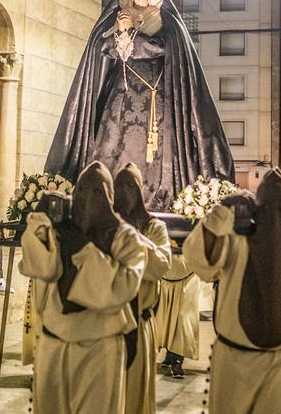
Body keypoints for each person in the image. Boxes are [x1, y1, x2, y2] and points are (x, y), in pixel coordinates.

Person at [45, 0, 234, 211]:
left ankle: (160, 201)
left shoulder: (167, 21)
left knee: (160, 156)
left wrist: (130, 34)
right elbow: (100, 49)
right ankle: (106, 200)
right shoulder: (115, 16)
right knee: (109, 147)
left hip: (159, 100)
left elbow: (161, 48)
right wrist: (118, 34)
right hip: (120, 98)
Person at [185, 170, 281, 413]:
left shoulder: (239, 242)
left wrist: (220, 216)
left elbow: (198, 258)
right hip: (271, 370)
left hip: (243, 368)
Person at [19, 161, 149, 413]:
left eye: (98, 193)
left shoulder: (126, 238)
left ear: (110, 197)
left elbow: (119, 290)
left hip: (100, 348)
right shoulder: (61, 232)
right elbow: (41, 268)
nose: (88, 199)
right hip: (54, 343)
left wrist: (82, 248)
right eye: (82, 191)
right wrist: (39, 224)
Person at [113, 163, 171, 414]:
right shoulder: (104, 227)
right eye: (119, 186)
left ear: (139, 190)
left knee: (136, 397)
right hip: (110, 323)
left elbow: (161, 265)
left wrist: (130, 238)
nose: (125, 192)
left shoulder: (154, 227)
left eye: (131, 186)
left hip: (140, 320)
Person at [154, 230, 200, 379]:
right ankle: (170, 353)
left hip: (186, 279)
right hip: (168, 275)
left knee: (181, 321)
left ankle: (177, 360)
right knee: (166, 319)